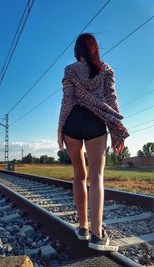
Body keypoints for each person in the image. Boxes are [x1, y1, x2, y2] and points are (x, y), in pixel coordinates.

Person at [57, 33, 129, 252]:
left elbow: (67, 99)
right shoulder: (106, 69)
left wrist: (60, 128)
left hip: (73, 123)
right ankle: (98, 235)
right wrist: (116, 129)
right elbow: (111, 100)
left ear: (77, 51)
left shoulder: (69, 70)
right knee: (96, 176)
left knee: (79, 176)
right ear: (95, 49)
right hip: (96, 124)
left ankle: (82, 227)